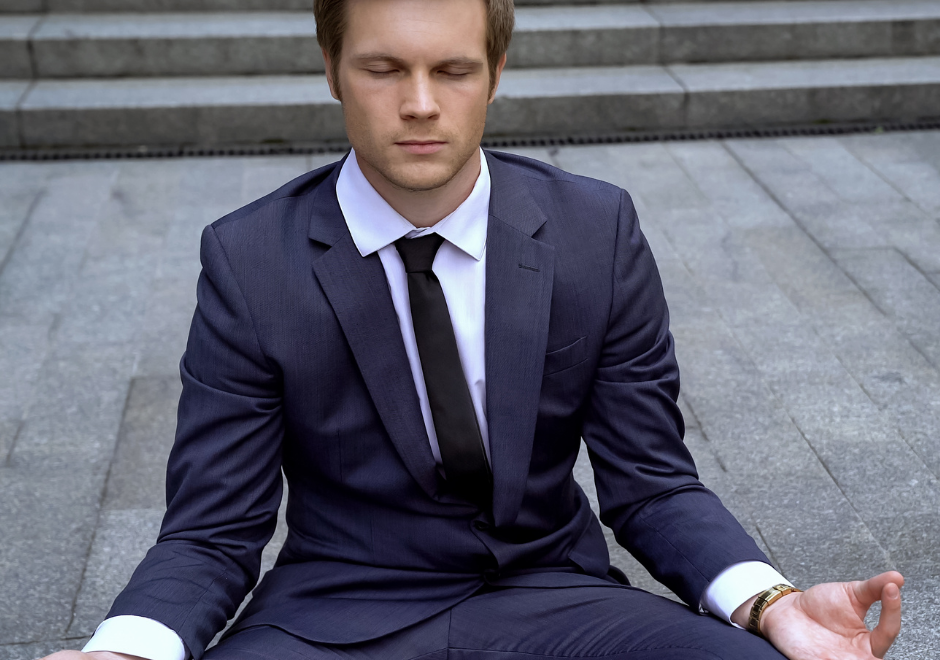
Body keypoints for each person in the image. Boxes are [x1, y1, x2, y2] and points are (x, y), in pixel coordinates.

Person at [45, 1, 904, 659]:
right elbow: (212, 530)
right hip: (333, 617)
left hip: (556, 598)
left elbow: (651, 483)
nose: (419, 104)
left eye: (451, 70)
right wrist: (125, 647)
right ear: (332, 68)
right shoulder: (249, 259)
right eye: (383, 69)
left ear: (495, 69)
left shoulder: (593, 231)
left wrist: (774, 603)